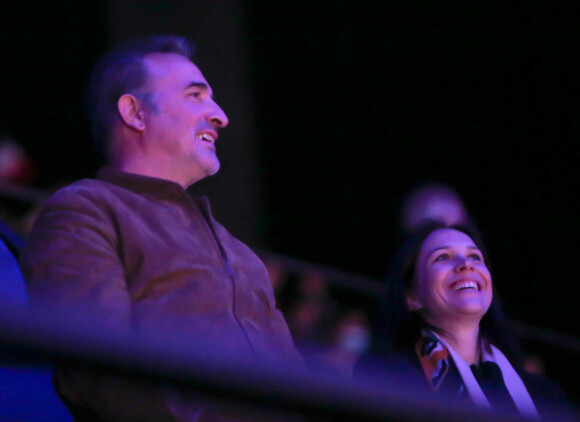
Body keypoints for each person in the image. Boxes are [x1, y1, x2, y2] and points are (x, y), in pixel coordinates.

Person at [20, 35, 303, 421]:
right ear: (135, 113)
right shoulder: (84, 210)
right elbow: (99, 369)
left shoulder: (240, 253)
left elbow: (297, 387)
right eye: (195, 96)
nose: (221, 116)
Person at [355, 221, 572, 420]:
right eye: (442, 257)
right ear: (412, 297)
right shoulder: (383, 376)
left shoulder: (547, 396)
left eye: (475, 257)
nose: (466, 265)